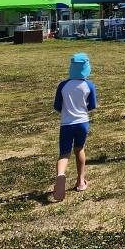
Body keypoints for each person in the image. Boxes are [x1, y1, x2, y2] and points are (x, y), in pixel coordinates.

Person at [52, 52, 97, 202]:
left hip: (66, 124)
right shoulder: (89, 85)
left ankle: (60, 175)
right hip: (82, 123)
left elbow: (57, 106)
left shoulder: (63, 85)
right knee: (79, 149)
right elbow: (92, 105)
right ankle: (80, 181)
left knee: (64, 154)